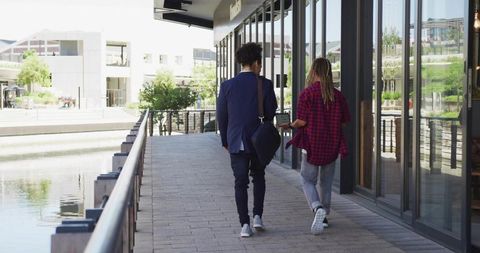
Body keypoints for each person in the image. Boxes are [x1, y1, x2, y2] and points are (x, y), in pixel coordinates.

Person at [281, 58, 350, 235]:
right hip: (332, 145)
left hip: (312, 144)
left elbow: (302, 121)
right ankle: (324, 215)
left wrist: (289, 125)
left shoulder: (307, 94)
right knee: (326, 182)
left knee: (307, 179)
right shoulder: (338, 95)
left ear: (314, 71)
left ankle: (317, 207)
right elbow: (344, 121)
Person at [216, 42, 277, 238]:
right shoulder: (265, 84)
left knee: (240, 182)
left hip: (237, 141)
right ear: (257, 62)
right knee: (259, 177)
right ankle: (258, 216)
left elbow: (222, 116)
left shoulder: (227, 86)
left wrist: (225, 140)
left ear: (241, 62)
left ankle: (245, 225)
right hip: (259, 140)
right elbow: (270, 111)